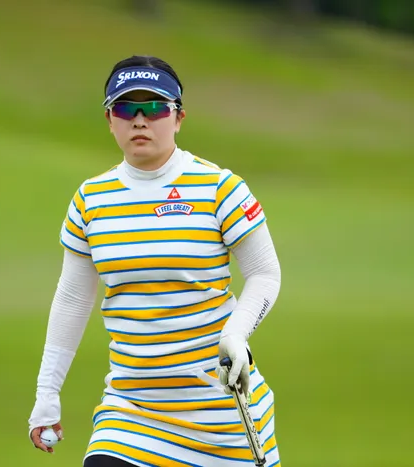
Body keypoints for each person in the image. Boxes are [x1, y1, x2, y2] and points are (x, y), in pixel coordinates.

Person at [27, 55, 282, 467]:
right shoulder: (91, 200)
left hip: (221, 415)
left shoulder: (220, 188)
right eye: (126, 109)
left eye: (156, 108)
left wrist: (237, 334)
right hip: (132, 412)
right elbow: (72, 299)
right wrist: (47, 392)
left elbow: (265, 274)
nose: (140, 120)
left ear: (178, 118)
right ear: (110, 120)